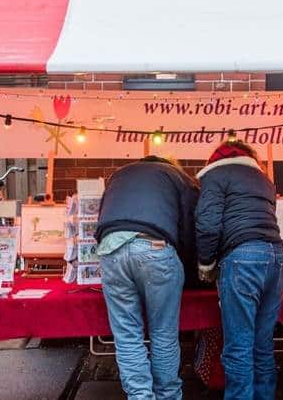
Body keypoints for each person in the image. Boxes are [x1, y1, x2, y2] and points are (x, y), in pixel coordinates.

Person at [95, 155, 199, 400]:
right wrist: (190, 268)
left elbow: (102, 218)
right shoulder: (177, 177)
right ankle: (168, 395)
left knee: (127, 336)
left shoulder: (118, 175)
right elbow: (190, 226)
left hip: (111, 250)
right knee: (163, 333)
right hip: (155, 247)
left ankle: (140, 397)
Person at [196, 140, 283, 400]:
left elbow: (208, 224)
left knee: (239, 347)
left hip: (243, 257)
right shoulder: (263, 179)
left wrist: (206, 264)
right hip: (277, 257)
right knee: (262, 345)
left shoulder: (215, 175)